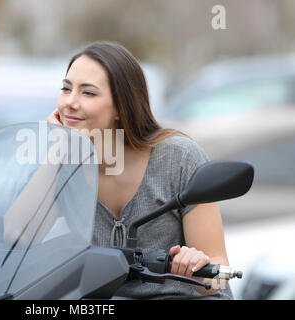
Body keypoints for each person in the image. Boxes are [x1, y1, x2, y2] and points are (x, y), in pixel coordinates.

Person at [47, 41, 233, 299]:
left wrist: (200, 268)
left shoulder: (179, 157)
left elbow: (220, 271)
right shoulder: (64, 165)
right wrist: (54, 153)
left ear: (120, 108)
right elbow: (15, 236)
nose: (69, 102)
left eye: (88, 93)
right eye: (66, 89)